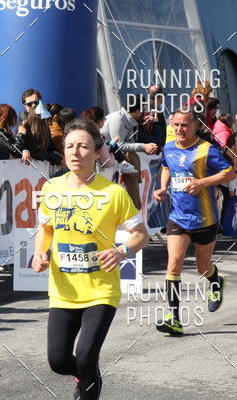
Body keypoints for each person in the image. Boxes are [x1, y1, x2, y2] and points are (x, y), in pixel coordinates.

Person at [33, 118, 149, 400]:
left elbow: (141, 234)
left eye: (83, 146)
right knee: (58, 361)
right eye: (69, 146)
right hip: (64, 290)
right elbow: (45, 229)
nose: (75, 152)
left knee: (85, 356)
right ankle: (85, 375)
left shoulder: (113, 193)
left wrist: (121, 251)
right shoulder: (52, 188)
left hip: (101, 290)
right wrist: (40, 252)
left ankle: (86, 379)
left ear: (97, 153)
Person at [153, 107, 236, 336]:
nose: (180, 129)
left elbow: (230, 173)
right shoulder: (169, 147)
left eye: (185, 125)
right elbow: (166, 166)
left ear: (196, 126)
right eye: (176, 125)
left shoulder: (207, 150)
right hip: (178, 217)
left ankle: (215, 280)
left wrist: (202, 183)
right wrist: (162, 188)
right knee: (173, 264)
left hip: (204, 218)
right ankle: (174, 319)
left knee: (202, 267)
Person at [101, 95, 158, 210]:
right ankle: (134, 208)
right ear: (136, 111)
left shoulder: (130, 120)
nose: (144, 113)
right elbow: (119, 145)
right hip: (107, 154)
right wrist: (144, 146)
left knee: (133, 163)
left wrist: (148, 146)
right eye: (142, 110)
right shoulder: (118, 119)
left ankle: (135, 206)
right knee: (131, 170)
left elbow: (130, 143)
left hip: (115, 153)